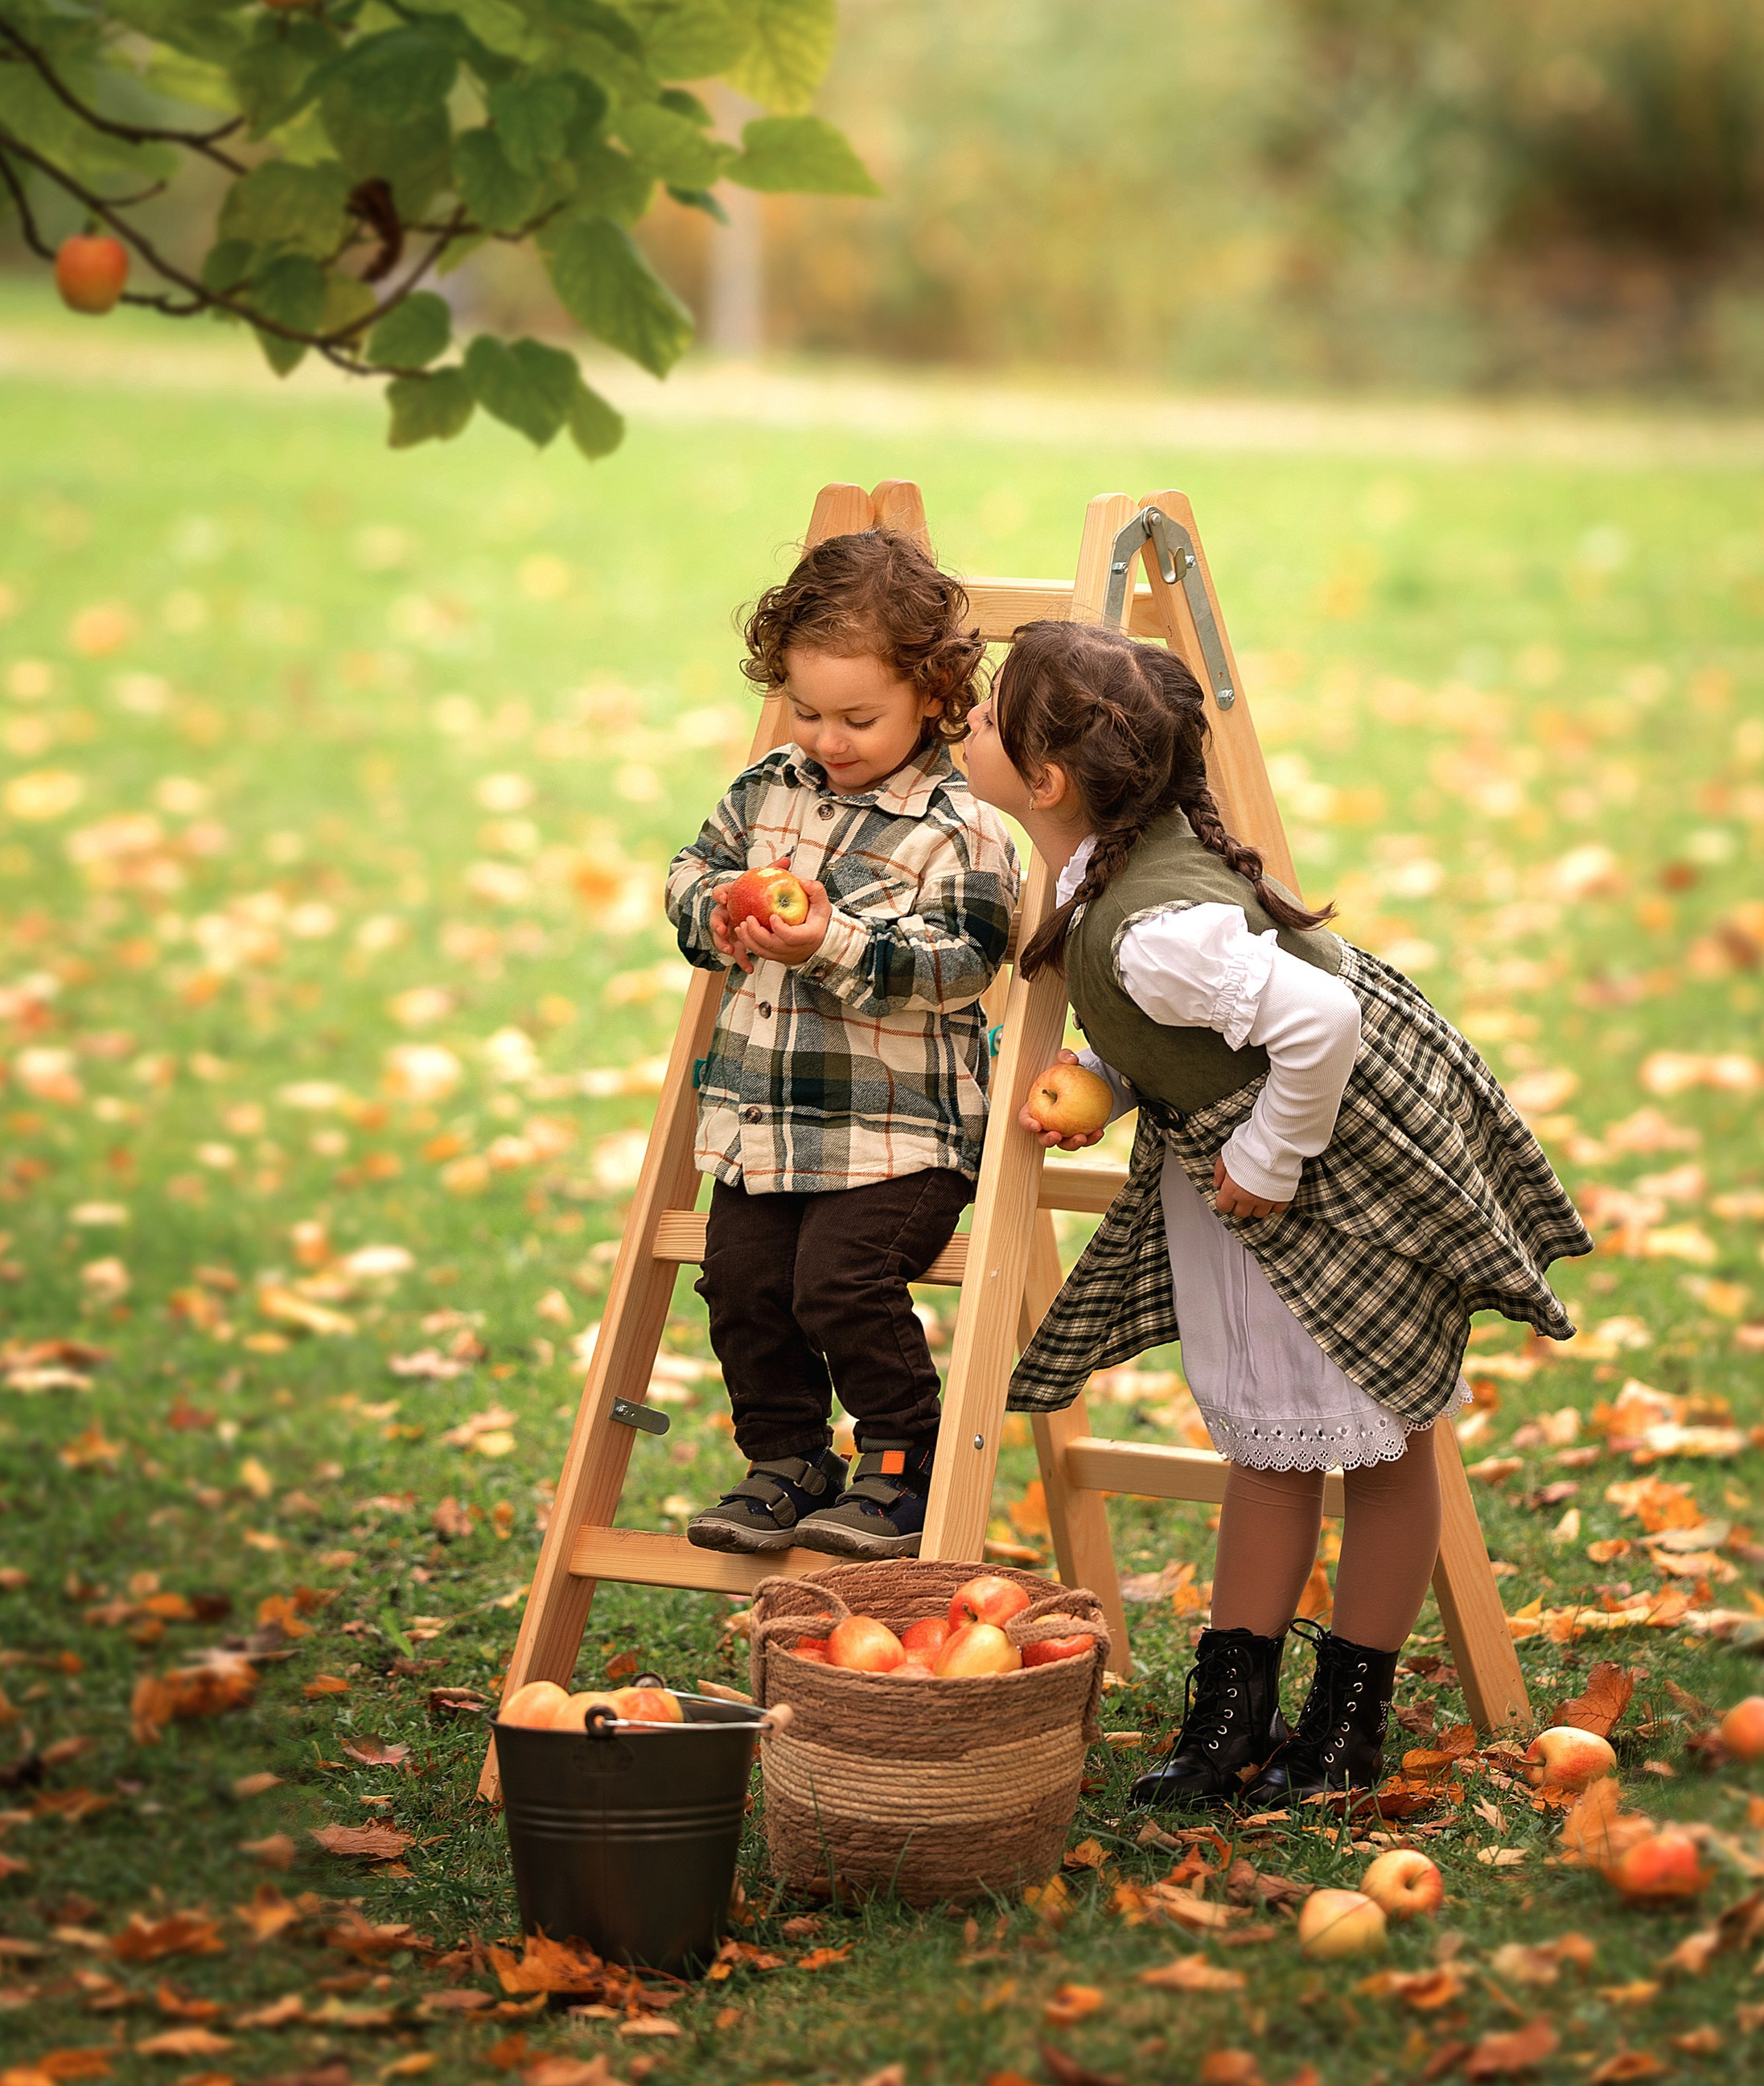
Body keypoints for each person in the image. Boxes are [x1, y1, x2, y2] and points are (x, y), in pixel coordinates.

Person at [963, 623, 1589, 1806]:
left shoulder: (1156, 928)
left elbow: (1320, 1023)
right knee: (1266, 1440)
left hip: (1340, 1169)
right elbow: (1193, 1024)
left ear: (1043, 782)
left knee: (1385, 1436)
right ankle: (1229, 1721)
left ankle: (1346, 1723)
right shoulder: (1110, 875)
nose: (967, 720)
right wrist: (1108, 1077)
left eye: (989, 712)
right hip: (1250, 1176)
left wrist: (1268, 1151)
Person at [668, 529, 1019, 1560]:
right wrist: (717, 912)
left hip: (897, 1137)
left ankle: (902, 1464)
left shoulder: (958, 824)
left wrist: (831, 941)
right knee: (740, 1283)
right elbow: (692, 869)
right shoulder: (766, 787)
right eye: (806, 709)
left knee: (839, 1282)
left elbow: (965, 962)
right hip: (765, 1128)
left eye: (858, 717)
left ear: (934, 694)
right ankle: (787, 1459)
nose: (828, 736)